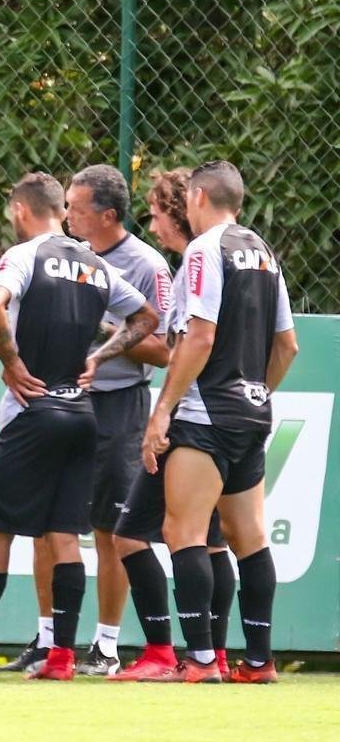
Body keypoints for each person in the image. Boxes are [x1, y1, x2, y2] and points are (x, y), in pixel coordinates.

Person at [0, 172, 158, 681]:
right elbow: (147, 319)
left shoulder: (24, 256)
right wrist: (100, 356)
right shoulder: (94, 262)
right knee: (64, 536)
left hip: (33, 415)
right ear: (58, 210)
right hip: (81, 417)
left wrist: (12, 361)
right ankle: (63, 658)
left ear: (22, 211)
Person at [5, 165, 173, 677]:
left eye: (76, 208)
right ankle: (49, 638)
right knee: (45, 524)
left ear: (107, 215)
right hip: (55, 400)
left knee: (108, 526)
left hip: (116, 405)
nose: (67, 215)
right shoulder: (49, 253)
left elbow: (163, 350)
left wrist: (100, 318)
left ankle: (105, 643)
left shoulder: (144, 264)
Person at [142, 160, 297, 683]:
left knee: (181, 530)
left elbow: (199, 337)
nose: (184, 205)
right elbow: (287, 345)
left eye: (188, 196)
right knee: (248, 536)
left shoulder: (206, 251)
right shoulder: (263, 253)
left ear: (202, 196)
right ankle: (258, 661)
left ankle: (203, 660)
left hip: (205, 414)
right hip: (252, 413)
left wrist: (163, 409)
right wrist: (255, 393)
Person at [111, 167, 235, 681]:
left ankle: (168, 652)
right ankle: (215, 653)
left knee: (132, 534)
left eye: (158, 215)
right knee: (212, 539)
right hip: (228, 417)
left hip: (194, 419)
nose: (154, 226)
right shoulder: (222, 259)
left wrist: (163, 414)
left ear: (182, 212)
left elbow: (182, 348)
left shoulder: (197, 264)